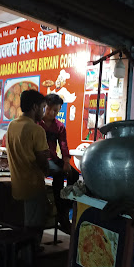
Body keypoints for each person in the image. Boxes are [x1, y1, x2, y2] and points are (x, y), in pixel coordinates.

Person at [6, 90, 49, 247]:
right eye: (43, 107)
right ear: (35, 107)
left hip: (17, 186)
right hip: (33, 187)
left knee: (22, 229)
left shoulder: (12, 126)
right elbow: (43, 160)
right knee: (34, 229)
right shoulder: (37, 130)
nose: (44, 112)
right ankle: (30, 262)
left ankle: (23, 259)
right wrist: (48, 171)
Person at [39, 93, 79, 233]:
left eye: (57, 110)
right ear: (45, 107)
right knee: (58, 174)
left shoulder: (59, 126)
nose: (54, 113)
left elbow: (63, 145)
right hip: (42, 160)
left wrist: (67, 162)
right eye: (51, 109)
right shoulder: (37, 124)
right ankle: (61, 216)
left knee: (74, 175)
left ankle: (65, 206)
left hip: (54, 159)